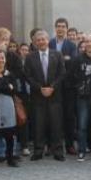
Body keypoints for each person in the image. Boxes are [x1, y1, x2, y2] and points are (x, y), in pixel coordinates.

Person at [24, 30, 67, 161]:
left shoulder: (57, 54)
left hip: (55, 96)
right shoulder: (30, 57)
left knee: (56, 124)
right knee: (39, 124)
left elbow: (62, 73)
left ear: (48, 40)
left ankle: (58, 151)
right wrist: (40, 88)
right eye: (38, 40)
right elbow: (27, 75)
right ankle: (38, 150)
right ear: (35, 42)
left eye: (43, 39)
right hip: (38, 96)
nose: (41, 42)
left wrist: (52, 87)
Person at [50, 18, 78, 154]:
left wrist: (64, 59)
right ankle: (53, 145)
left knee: (69, 116)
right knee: (53, 116)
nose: (60, 29)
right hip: (52, 85)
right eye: (58, 26)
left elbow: (73, 63)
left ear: (67, 29)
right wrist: (64, 58)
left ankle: (69, 144)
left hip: (68, 86)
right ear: (55, 28)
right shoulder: (49, 43)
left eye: (63, 26)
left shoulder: (72, 46)